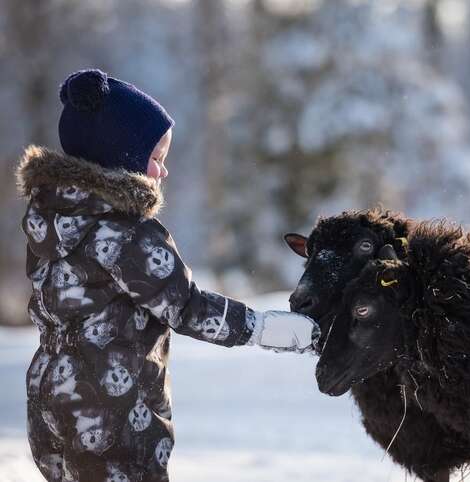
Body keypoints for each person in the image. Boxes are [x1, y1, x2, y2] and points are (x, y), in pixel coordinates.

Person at [16, 69, 318, 482]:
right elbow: (186, 306)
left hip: (50, 403)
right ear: (120, 157)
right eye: (156, 159)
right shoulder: (125, 231)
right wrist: (264, 329)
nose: (163, 172)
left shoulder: (49, 222)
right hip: (112, 416)